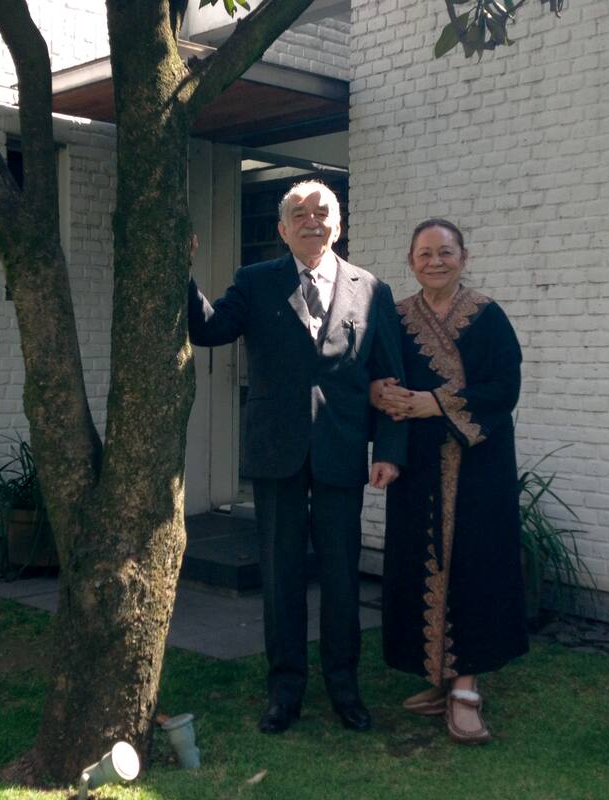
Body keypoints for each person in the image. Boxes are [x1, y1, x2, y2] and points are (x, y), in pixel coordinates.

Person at [188, 180, 407, 734]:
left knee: (340, 578)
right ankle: (284, 692)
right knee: (282, 577)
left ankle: (344, 688)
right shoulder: (256, 281)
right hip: (276, 450)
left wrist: (389, 450)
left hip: (340, 451)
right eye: (298, 213)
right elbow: (208, 329)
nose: (312, 220)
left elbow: (389, 375)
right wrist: (177, 269)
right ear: (282, 229)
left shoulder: (371, 289)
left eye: (322, 211)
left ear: (339, 223)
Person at [370, 218, 528, 745]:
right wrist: (382, 395)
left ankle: (466, 689)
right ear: (410, 261)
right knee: (421, 562)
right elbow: (379, 372)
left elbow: (504, 387)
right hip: (417, 466)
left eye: (445, 252)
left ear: (465, 256)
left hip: (478, 468)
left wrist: (433, 402)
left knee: (474, 566)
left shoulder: (488, 316)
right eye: (424, 254)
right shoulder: (395, 317)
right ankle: (437, 676)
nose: (434, 261)